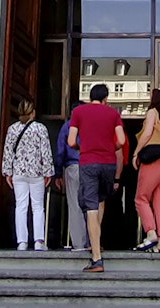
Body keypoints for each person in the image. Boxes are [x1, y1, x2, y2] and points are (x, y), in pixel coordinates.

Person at [68, 83, 125, 273]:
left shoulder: (79, 112)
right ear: (105, 98)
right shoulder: (113, 114)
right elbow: (122, 141)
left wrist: (81, 148)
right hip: (108, 164)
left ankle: (96, 258)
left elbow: (71, 141)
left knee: (90, 207)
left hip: (88, 162)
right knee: (100, 201)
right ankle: (97, 242)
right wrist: (111, 148)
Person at [1, 99, 54, 251]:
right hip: (36, 172)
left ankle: (22, 242)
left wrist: (7, 172)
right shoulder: (40, 128)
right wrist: (48, 171)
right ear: (33, 112)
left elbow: (8, 152)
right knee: (38, 207)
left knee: (21, 206)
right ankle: (38, 241)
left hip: (19, 172)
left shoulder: (12, 129)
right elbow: (46, 152)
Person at [131, 88, 160, 253]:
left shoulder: (153, 112)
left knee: (141, 199)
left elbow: (147, 134)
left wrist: (136, 153)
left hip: (154, 159)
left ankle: (151, 233)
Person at [55, 102, 89, 251]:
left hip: (73, 166)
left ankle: (79, 244)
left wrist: (57, 173)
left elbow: (61, 151)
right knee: (91, 206)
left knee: (75, 206)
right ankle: (92, 242)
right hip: (90, 166)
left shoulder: (67, 126)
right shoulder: (90, 126)